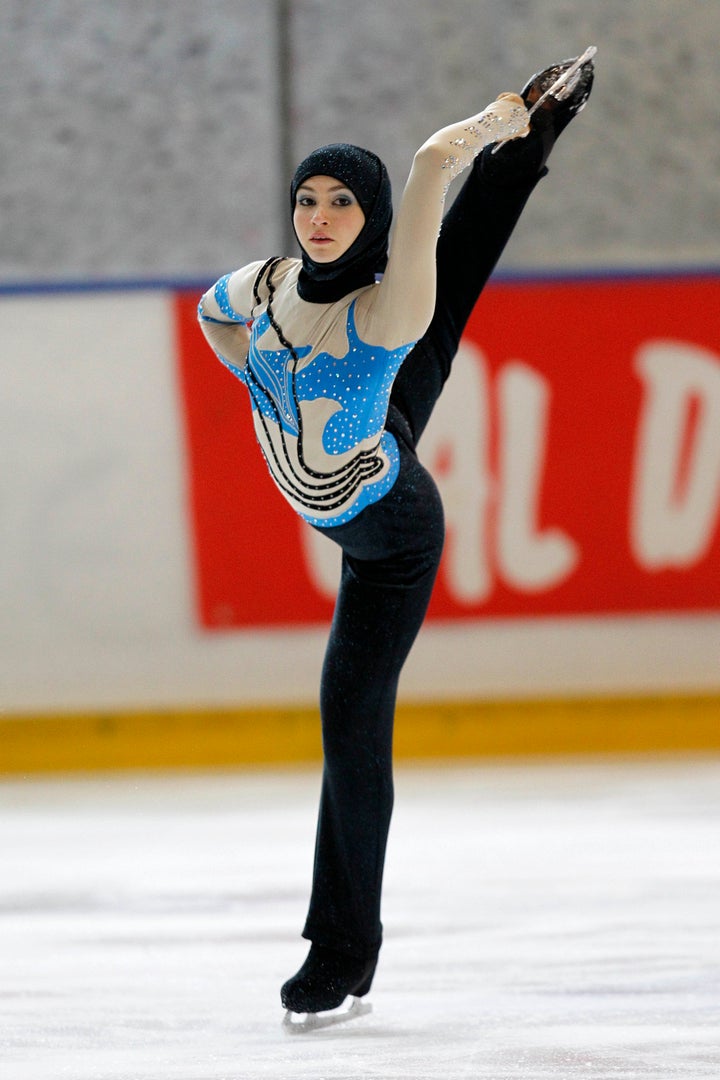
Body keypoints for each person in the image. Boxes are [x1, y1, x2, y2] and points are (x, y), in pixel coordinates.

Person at [198, 53, 595, 1020]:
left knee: (350, 723)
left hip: (393, 528)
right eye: (308, 199)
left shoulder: (388, 302)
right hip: (373, 421)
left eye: (342, 202)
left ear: (370, 217)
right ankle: (533, 142)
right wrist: (264, 386)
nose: (321, 216)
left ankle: (340, 953)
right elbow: (214, 316)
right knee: (417, 341)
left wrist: (482, 129)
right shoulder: (263, 288)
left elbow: (424, 173)